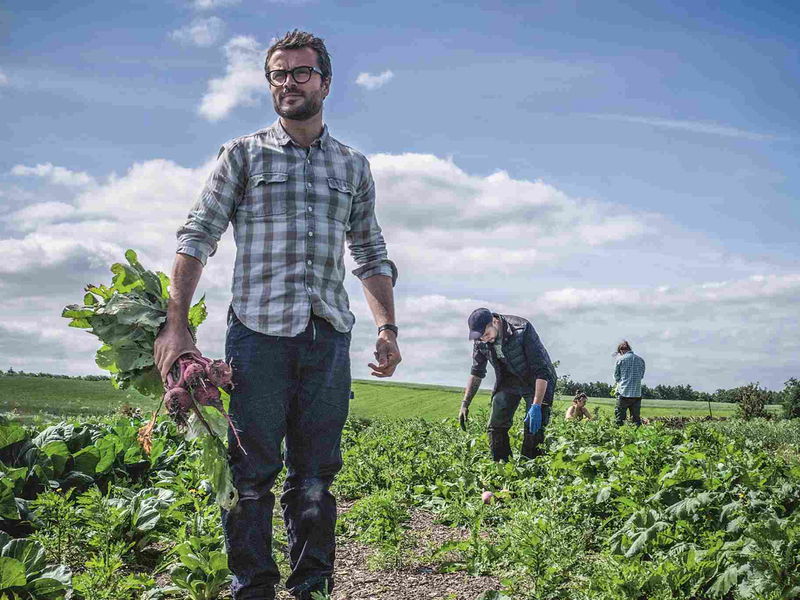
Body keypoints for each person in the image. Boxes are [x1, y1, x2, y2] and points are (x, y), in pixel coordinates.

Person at [153, 30, 401, 600]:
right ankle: (255, 587)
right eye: (277, 74)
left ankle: (312, 585)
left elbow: (370, 252)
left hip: (328, 336)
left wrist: (387, 327)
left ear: (326, 82)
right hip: (258, 336)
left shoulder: (354, 167)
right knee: (251, 474)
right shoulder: (242, 155)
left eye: (300, 73)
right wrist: (176, 322)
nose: (288, 83)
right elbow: (197, 236)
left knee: (316, 474)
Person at [459, 308, 557, 461]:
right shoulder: (480, 341)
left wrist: (536, 406)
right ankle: (503, 471)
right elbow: (477, 372)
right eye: (481, 337)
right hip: (508, 380)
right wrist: (465, 403)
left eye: (486, 334)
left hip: (536, 381)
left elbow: (541, 371)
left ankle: (530, 473)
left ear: (494, 321)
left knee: (533, 429)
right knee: (495, 427)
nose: (484, 339)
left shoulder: (522, 329)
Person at [614, 340, 645, 426]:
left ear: (621, 350)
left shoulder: (620, 360)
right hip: (637, 394)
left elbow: (616, 376)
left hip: (624, 393)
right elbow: (641, 376)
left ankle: (619, 437)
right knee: (636, 420)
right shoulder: (640, 360)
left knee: (620, 420)